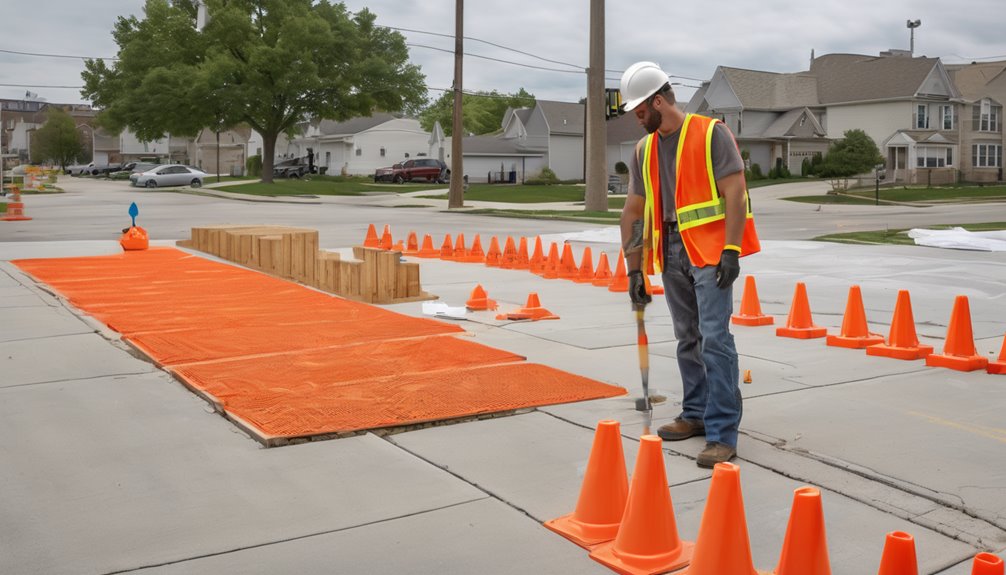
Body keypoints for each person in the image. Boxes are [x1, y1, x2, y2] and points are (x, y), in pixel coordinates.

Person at [618, 61, 760, 468]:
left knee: (715, 338)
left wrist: (731, 250)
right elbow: (633, 212)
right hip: (670, 252)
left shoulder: (711, 133)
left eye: (640, 111)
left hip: (711, 253)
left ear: (657, 102)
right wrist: (634, 269)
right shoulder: (644, 149)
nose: (637, 118)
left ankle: (722, 432)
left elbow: (735, 193)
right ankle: (695, 412)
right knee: (687, 337)